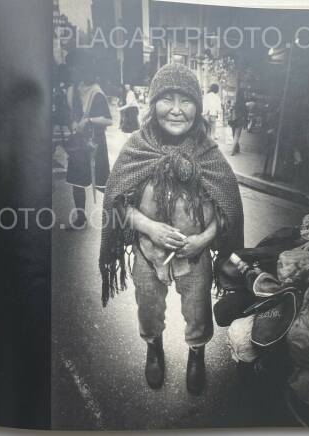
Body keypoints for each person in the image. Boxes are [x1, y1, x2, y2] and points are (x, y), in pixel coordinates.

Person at [98, 63, 243, 394]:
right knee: (148, 308)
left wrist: (203, 240)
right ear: (153, 105)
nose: (177, 110)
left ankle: (196, 354)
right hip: (149, 253)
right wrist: (150, 228)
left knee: (198, 311)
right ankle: (154, 349)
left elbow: (227, 209)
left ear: (196, 105)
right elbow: (118, 204)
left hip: (195, 257)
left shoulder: (208, 153)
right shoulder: (138, 146)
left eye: (186, 100)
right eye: (167, 99)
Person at [64, 52, 113, 228]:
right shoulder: (73, 90)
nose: (74, 72)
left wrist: (89, 120)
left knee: (102, 182)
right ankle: (80, 217)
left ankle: (115, 217)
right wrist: (73, 123)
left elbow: (109, 120)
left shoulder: (97, 93)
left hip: (95, 143)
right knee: (76, 181)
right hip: (79, 142)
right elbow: (69, 115)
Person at [228, 87, 248, 156]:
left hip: (233, 120)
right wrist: (246, 123)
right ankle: (232, 151)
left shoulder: (234, 102)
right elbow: (245, 114)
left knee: (234, 135)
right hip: (240, 120)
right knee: (236, 136)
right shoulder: (243, 104)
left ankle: (237, 148)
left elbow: (230, 110)